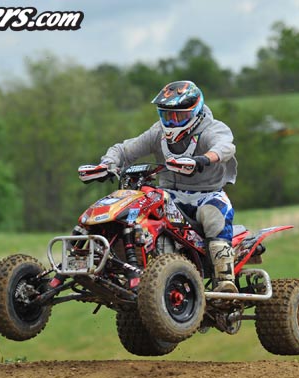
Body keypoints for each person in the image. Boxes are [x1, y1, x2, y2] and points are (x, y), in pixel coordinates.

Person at [93, 80, 238, 293]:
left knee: (213, 216)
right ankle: (133, 264)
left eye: (179, 116)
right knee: (140, 212)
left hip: (208, 195)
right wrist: (107, 164)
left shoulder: (212, 128)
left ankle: (225, 281)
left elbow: (225, 147)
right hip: (169, 195)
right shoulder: (158, 132)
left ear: (196, 111)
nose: (172, 121)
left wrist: (204, 159)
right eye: (167, 115)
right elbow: (124, 150)